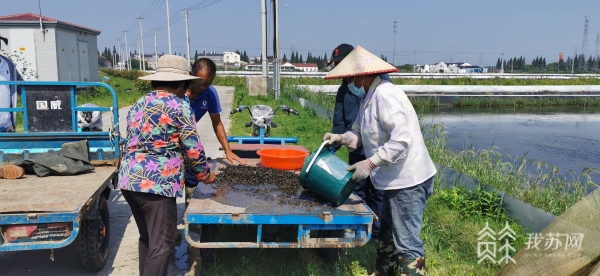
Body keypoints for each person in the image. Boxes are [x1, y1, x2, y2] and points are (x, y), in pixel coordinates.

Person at [322, 46, 436, 276]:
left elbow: (401, 140)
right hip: (392, 180)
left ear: (362, 75)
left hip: (409, 181)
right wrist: (341, 138)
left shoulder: (386, 95)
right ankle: (384, 272)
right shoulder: (368, 98)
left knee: (406, 242)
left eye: (350, 77)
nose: (348, 82)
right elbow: (358, 133)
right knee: (386, 233)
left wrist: (370, 163)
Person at [118, 55, 216, 276]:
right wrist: (205, 174)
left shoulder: (138, 104)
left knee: (148, 239)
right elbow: (193, 149)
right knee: (162, 247)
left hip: (128, 181)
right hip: (157, 185)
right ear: (181, 84)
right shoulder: (179, 106)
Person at [328, 43, 391, 241]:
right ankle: (359, 229)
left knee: (378, 192)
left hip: (378, 152)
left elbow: (395, 135)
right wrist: (333, 145)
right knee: (357, 190)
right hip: (355, 147)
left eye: (341, 64)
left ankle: (377, 235)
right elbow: (341, 123)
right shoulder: (345, 90)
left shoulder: (381, 89)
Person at [183, 57, 246, 204]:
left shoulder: (210, 93)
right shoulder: (179, 92)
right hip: (172, 142)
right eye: (200, 82)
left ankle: (190, 206)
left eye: (207, 84)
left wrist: (227, 150)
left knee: (193, 176)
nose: (202, 87)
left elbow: (217, 123)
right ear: (191, 74)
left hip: (188, 139)